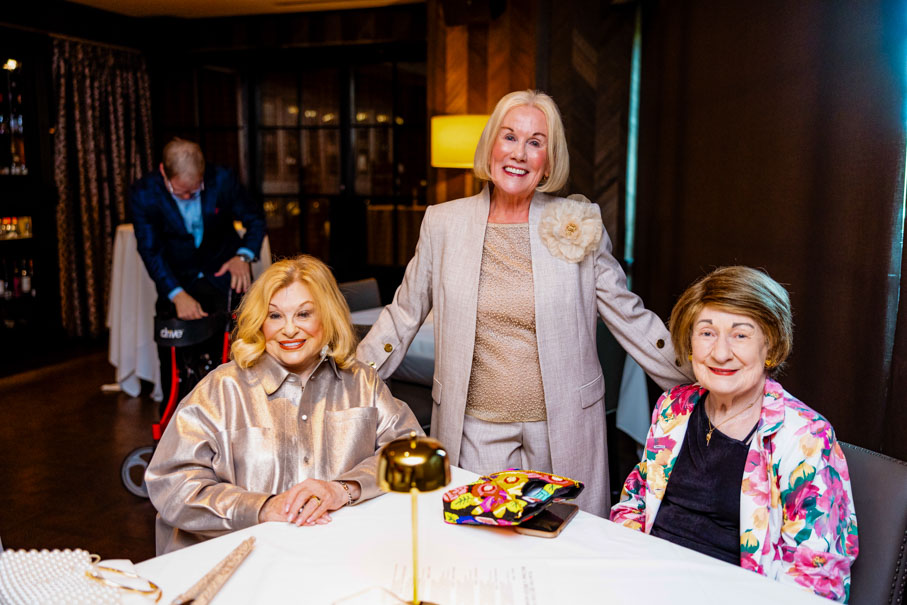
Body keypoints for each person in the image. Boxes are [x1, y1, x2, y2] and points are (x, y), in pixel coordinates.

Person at [357, 90, 690, 517]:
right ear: (491, 145)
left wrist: (695, 380)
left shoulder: (577, 221)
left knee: (566, 549)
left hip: (564, 427)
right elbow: (402, 315)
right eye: (510, 137)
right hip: (473, 428)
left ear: (548, 160)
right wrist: (345, 383)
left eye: (536, 142)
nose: (520, 153)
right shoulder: (443, 223)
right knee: (481, 548)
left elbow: (628, 314)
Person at [145, 255, 423, 554]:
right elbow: (172, 484)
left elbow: (413, 451)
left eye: (304, 314)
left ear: (326, 317)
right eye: (275, 316)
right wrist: (261, 508)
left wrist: (344, 488)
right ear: (259, 321)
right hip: (243, 562)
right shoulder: (221, 390)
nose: (289, 330)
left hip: (338, 554)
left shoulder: (361, 382)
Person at [610, 266, 858, 602]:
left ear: (770, 346)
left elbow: (817, 577)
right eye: (707, 333)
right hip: (647, 583)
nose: (721, 353)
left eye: (740, 335)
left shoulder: (805, 437)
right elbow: (635, 502)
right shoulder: (674, 407)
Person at [131, 138, 266, 409]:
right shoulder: (145, 193)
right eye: (181, 193)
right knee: (174, 365)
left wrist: (243, 256)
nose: (189, 198)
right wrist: (176, 293)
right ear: (163, 173)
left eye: (195, 191)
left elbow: (255, 219)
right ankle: (175, 426)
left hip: (223, 281)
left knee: (230, 360)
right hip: (177, 282)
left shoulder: (223, 179)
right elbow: (150, 250)